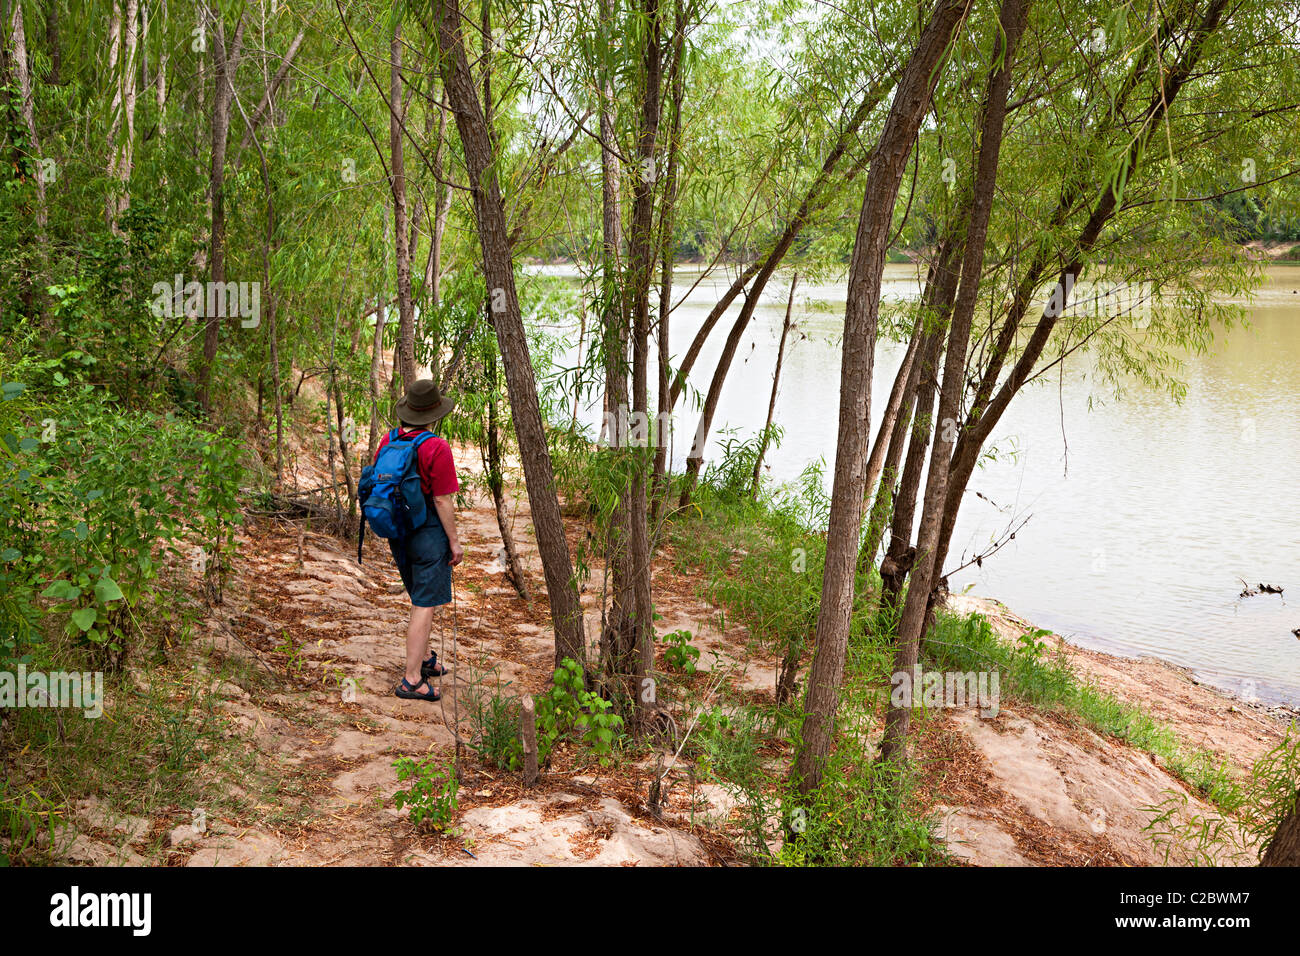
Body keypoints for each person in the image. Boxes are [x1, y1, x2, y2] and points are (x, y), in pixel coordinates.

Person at [374, 379, 464, 703]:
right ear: (433, 414)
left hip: (398, 530)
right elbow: (442, 500)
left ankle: (425, 658)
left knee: (419, 595)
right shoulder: (436, 447)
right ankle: (412, 679)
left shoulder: (389, 438)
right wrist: (454, 542)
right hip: (426, 532)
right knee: (423, 604)